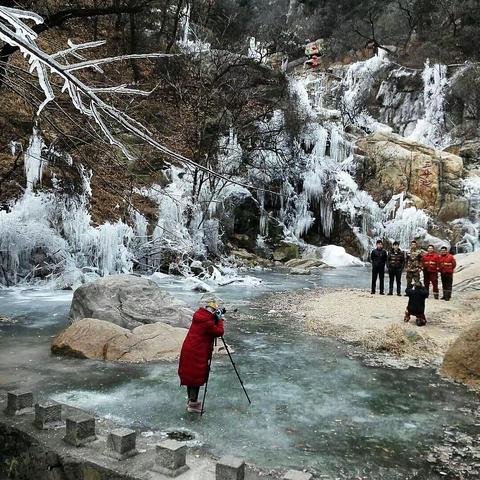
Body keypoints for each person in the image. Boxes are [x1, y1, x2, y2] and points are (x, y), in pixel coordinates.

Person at [178, 300, 224, 413]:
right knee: (195, 377)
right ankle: (193, 404)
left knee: (191, 376)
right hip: (197, 352)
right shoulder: (208, 323)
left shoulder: (198, 315)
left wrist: (215, 318)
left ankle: (191, 401)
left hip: (189, 349)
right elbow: (219, 332)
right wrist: (220, 320)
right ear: (213, 311)